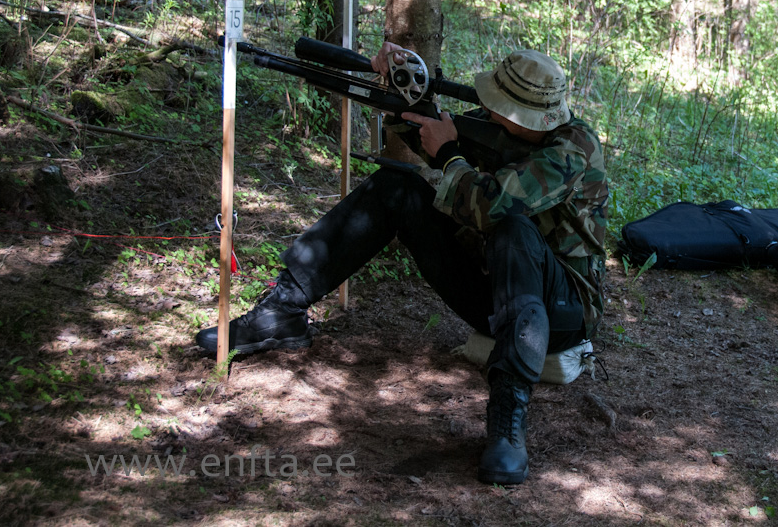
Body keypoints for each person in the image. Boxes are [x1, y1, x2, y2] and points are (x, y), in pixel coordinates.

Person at [194, 44, 609, 486]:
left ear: (526, 118)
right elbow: (443, 138)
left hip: (564, 312)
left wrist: (450, 155)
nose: (487, 114)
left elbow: (495, 204)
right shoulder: (508, 134)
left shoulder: (572, 150)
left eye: (498, 110)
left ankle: (508, 418)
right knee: (397, 187)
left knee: (512, 228)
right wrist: (406, 99)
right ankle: (284, 308)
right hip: (497, 293)